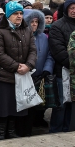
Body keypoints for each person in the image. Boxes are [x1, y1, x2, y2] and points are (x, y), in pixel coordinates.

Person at [0, 1, 37, 140]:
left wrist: (28, 65)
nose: (19, 16)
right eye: (16, 14)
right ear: (9, 16)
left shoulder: (26, 30)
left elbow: (33, 50)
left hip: (22, 74)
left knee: (16, 105)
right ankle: (1, 133)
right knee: (4, 107)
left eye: (21, 13)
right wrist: (17, 66)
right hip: (4, 75)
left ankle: (11, 132)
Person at [48, 0, 75, 133]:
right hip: (63, 70)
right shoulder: (57, 26)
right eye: (71, 8)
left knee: (73, 104)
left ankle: (68, 129)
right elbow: (58, 50)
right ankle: (56, 130)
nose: (74, 11)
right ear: (66, 10)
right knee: (61, 104)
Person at [20, 9, 55, 137]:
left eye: (36, 22)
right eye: (31, 21)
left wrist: (47, 69)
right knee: (25, 108)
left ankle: (30, 130)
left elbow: (49, 55)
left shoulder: (43, 38)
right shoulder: (21, 36)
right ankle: (22, 131)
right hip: (25, 77)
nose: (34, 24)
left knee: (36, 108)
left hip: (39, 76)